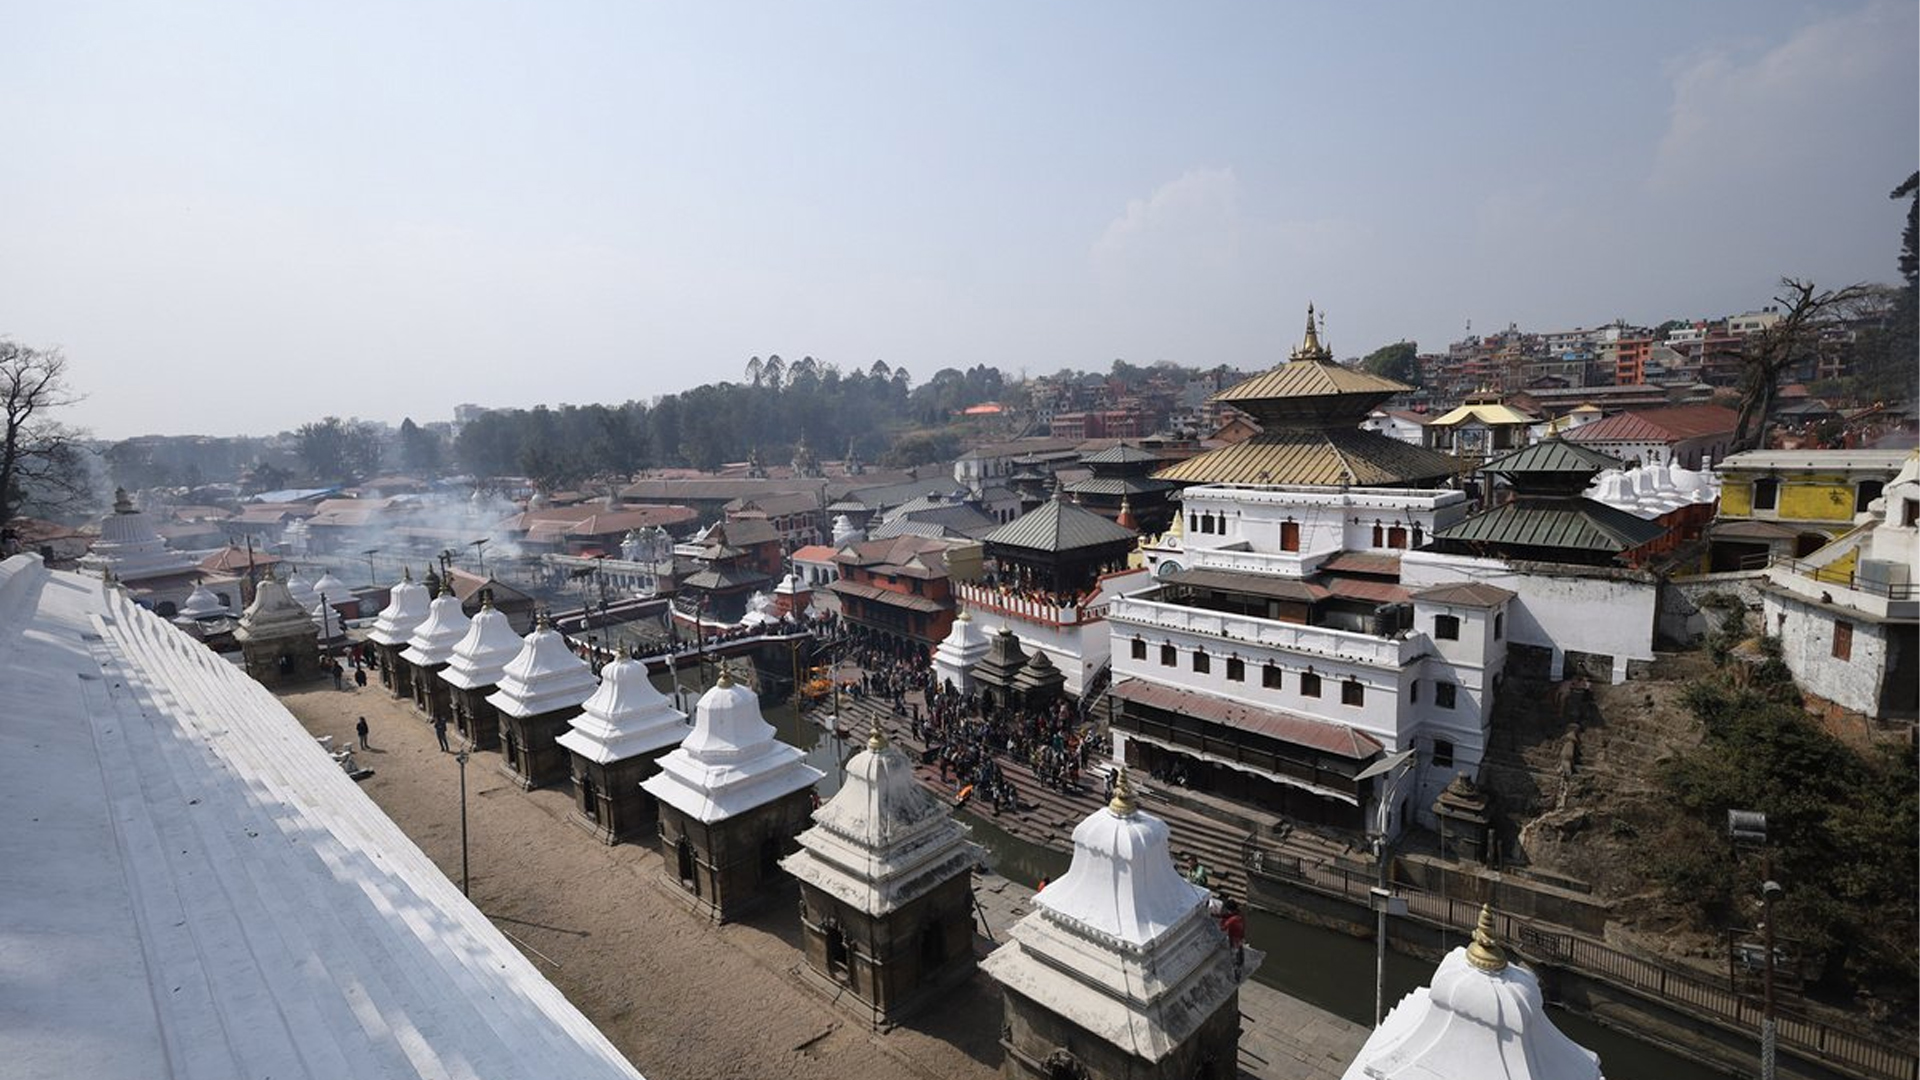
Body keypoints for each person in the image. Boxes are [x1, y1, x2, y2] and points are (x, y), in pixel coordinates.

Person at [1220, 898, 1246, 970]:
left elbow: (1223, 928)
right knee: (1239, 949)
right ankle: (1240, 962)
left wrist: (1222, 920)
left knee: (1234, 951)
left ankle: (1236, 967)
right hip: (1240, 935)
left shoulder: (1232, 920)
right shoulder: (1240, 914)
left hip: (1234, 937)